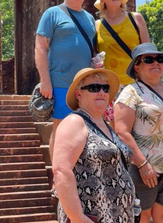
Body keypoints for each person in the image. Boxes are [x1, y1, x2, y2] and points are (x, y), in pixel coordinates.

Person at [114, 43, 163, 223]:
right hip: (143, 166)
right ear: (137, 67)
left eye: (159, 59)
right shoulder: (130, 92)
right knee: (141, 216)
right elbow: (121, 131)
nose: (156, 63)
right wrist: (142, 165)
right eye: (148, 60)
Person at [52, 68, 135, 223]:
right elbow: (61, 171)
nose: (101, 92)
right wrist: (78, 218)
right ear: (79, 94)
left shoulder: (106, 126)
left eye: (105, 88)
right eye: (94, 88)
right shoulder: (75, 122)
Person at [34, 0, 96, 158]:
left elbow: (90, 50)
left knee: (84, 130)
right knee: (61, 129)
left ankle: (78, 174)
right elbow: (40, 47)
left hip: (85, 84)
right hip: (60, 82)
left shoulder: (90, 18)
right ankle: (58, 176)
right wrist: (45, 81)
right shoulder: (53, 14)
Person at [94, 0, 150, 127]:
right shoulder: (97, 26)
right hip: (111, 86)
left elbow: (148, 52)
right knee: (116, 130)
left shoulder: (135, 19)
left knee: (140, 127)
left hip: (136, 83)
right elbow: (94, 54)